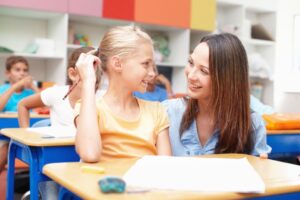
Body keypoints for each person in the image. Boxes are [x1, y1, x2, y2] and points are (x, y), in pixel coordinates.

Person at [162, 33, 271, 157]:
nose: (191, 76)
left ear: (227, 79)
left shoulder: (252, 124)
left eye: (204, 71)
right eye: (191, 63)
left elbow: (255, 171)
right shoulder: (167, 112)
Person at [75, 25, 172, 163]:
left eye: (153, 66)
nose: (152, 73)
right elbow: (90, 154)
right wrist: (88, 81)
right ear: (117, 64)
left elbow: (166, 167)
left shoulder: (157, 110)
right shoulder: (88, 108)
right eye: (145, 64)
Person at [18, 47, 97, 128]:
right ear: (73, 74)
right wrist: (26, 134)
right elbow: (23, 105)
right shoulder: (56, 93)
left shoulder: (101, 98)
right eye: (90, 69)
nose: (94, 77)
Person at [0, 56, 39, 173]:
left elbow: (46, 106)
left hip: (28, 134)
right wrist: (14, 88)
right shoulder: (3, 90)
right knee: (3, 150)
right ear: (8, 73)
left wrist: (33, 86)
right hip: (6, 136)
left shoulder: (30, 92)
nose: (22, 73)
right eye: (17, 70)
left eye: (25, 70)